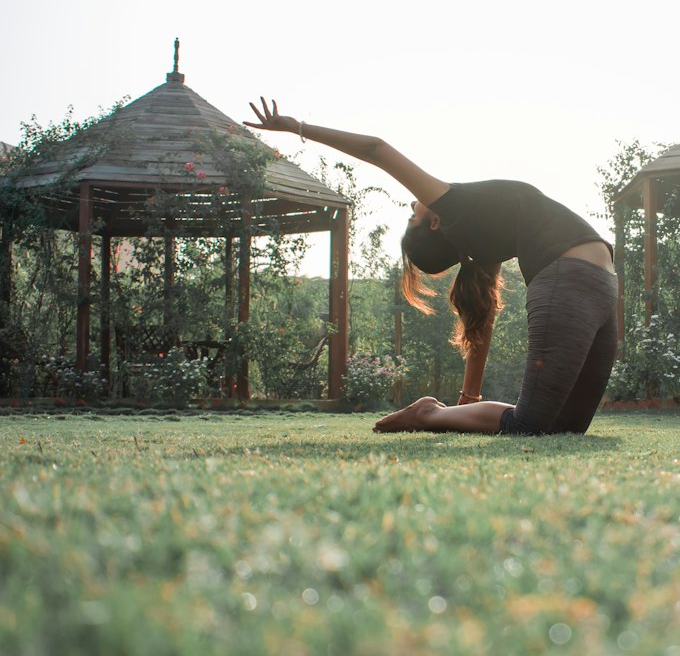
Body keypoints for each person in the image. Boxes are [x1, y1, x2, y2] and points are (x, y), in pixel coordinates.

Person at [246, 100, 619, 436]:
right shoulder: (453, 206)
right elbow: (377, 150)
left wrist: (468, 398)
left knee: (568, 427)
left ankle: (441, 414)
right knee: (530, 426)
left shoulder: (482, 237)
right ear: (436, 223)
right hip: (567, 281)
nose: (412, 206)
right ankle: (426, 415)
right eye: (413, 219)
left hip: (600, 285)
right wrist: (297, 128)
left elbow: (481, 317)